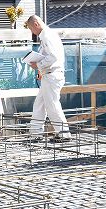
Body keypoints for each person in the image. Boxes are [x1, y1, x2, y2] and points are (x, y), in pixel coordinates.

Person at [25, 15, 71, 143]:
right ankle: (35, 133)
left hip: (52, 75)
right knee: (40, 104)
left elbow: (53, 57)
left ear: (36, 24)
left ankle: (63, 134)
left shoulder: (46, 35)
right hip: (50, 74)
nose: (32, 32)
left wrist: (38, 65)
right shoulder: (48, 35)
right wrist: (41, 69)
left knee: (52, 105)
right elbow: (50, 56)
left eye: (30, 28)